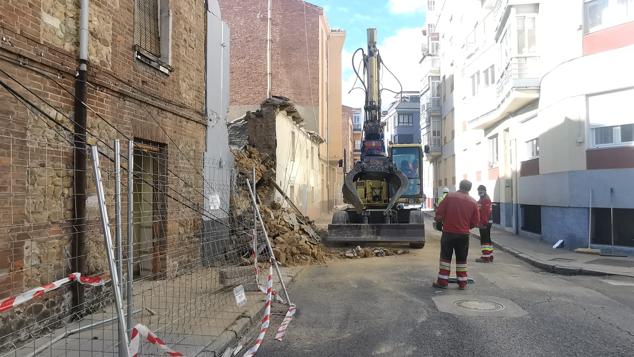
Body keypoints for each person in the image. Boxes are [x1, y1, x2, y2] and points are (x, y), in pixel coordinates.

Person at [433, 180, 480, 290]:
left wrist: (439, 223)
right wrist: (465, 227)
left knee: (445, 258)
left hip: (448, 233)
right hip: (463, 235)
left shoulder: (449, 197)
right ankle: (462, 283)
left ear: (459, 186)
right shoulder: (473, 202)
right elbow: (475, 221)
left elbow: (440, 212)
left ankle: (443, 282)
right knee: (462, 259)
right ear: (470, 189)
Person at [475, 185, 493, 263]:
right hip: (486, 222)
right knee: (488, 239)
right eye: (479, 190)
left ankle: (485, 257)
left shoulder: (485, 200)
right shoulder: (482, 199)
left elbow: (485, 213)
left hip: (485, 223)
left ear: (485, 190)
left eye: (481, 190)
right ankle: (490, 255)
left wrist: (482, 223)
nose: (480, 192)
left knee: (484, 239)